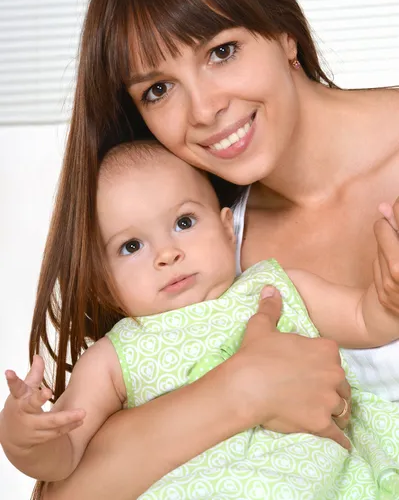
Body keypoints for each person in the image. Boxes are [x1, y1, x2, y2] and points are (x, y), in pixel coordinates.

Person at [6, 0, 399, 499]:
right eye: (158, 89)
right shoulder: (195, 238)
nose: (205, 109)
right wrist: (243, 388)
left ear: (285, 33)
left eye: (222, 51)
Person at [2, 141, 399, 500]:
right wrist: (23, 436)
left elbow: (366, 322)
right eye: (132, 246)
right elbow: (66, 456)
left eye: (184, 223)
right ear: (103, 285)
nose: (167, 253)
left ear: (228, 229)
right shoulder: (113, 356)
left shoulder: (275, 286)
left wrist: (390, 293)